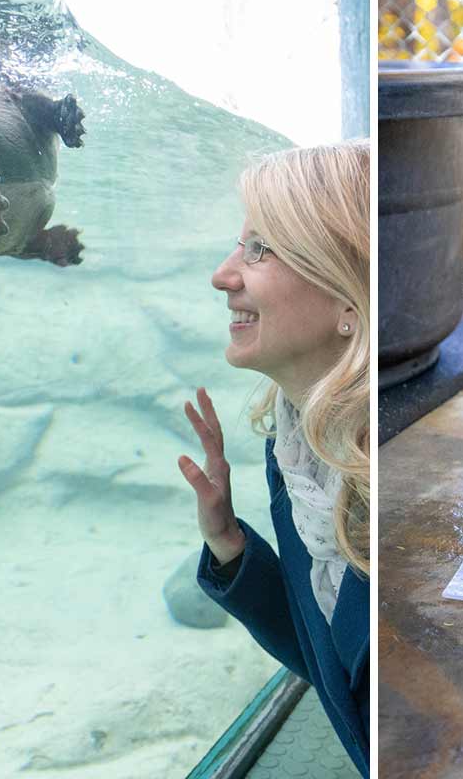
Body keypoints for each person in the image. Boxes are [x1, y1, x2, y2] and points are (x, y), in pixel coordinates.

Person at [177, 139, 369, 776]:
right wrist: (230, 543)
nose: (223, 274)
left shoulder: (389, 474)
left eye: (260, 249)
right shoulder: (294, 454)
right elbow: (334, 670)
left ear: (349, 297)